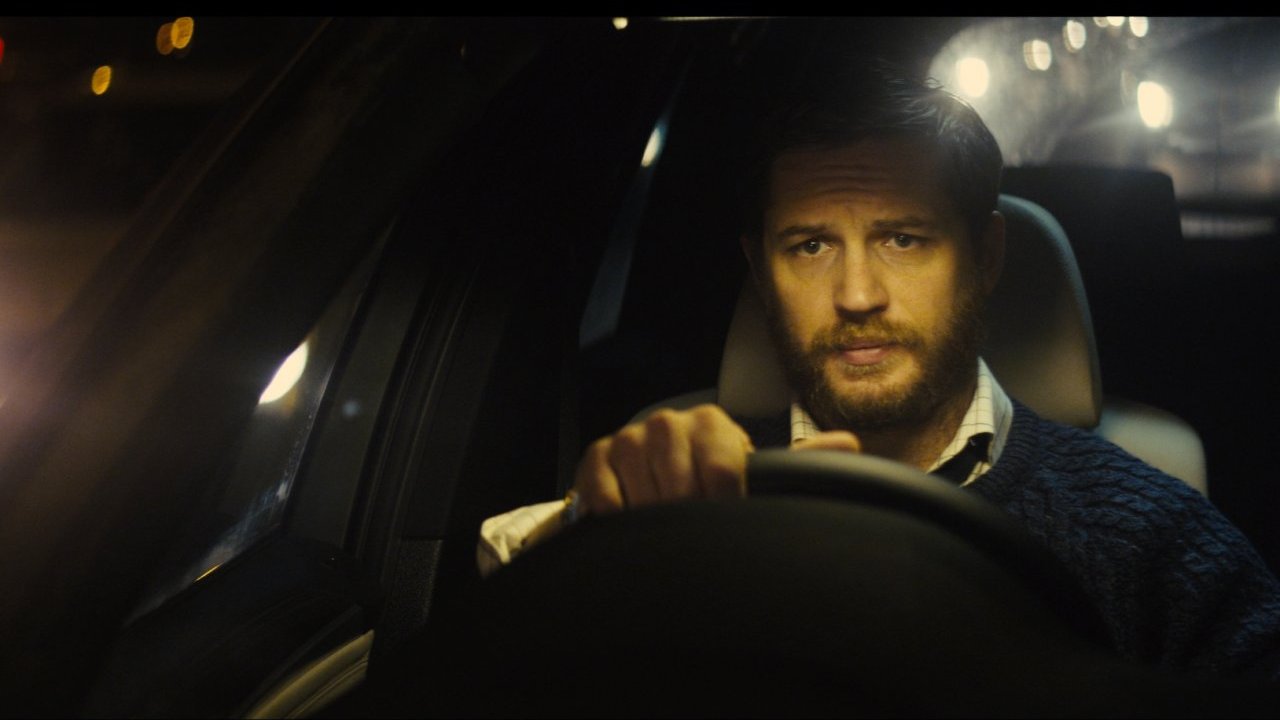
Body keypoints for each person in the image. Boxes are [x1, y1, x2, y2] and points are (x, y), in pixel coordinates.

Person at [476, 63, 1280, 682]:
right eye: (810, 246)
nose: (857, 295)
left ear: (985, 258)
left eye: (903, 239)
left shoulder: (1146, 532)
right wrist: (595, 539)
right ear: (761, 272)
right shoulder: (688, 493)